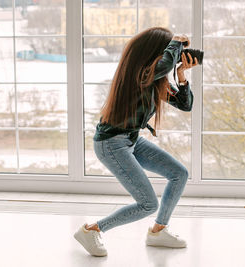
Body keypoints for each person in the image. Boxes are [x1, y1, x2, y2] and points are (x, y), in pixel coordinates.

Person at [73, 26, 198, 257]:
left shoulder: (154, 80)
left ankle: (159, 231)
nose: (171, 55)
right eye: (168, 50)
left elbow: (185, 105)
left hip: (131, 140)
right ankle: (91, 230)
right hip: (111, 143)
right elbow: (163, 65)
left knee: (179, 173)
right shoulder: (138, 74)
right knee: (148, 204)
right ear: (154, 52)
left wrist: (181, 75)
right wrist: (177, 42)